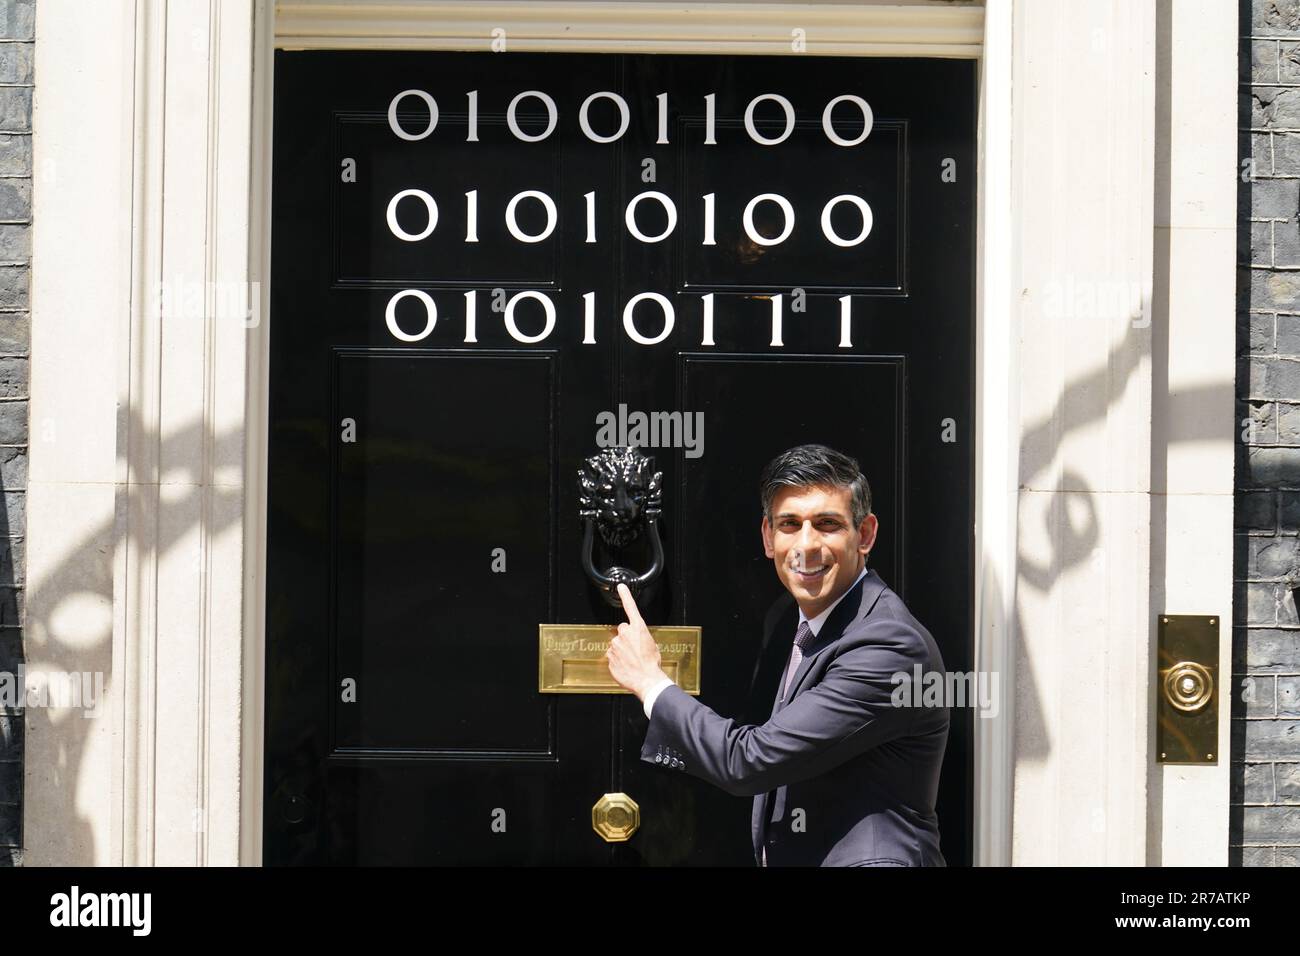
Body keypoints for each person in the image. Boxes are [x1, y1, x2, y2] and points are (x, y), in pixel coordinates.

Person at [606, 443, 949, 866]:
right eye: (790, 524)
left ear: (865, 535)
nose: (806, 545)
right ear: (769, 537)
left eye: (827, 524)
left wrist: (650, 682)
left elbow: (749, 761)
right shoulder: (804, 620)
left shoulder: (888, 646)